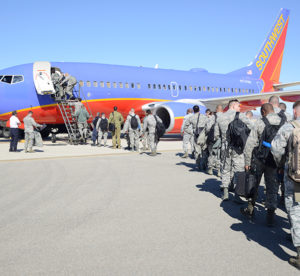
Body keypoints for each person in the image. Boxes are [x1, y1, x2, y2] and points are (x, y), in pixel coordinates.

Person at [241, 103, 283, 225]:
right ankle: (270, 215)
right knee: (272, 187)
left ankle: (250, 209)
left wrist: (247, 162)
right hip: (275, 161)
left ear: (263, 112)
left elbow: (250, 144)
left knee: (254, 183)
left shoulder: (260, 122)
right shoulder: (283, 122)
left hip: (260, 159)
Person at [271, 100, 300, 270]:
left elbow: (276, 149)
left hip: (295, 177)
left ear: (295, 112)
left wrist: (281, 165)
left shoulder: (289, 127)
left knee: (296, 210)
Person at [214, 99, 253, 201]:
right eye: (238, 106)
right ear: (233, 106)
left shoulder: (220, 117)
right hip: (238, 147)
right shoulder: (241, 116)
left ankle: (225, 192)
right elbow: (251, 127)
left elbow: (216, 135)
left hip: (225, 147)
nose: (240, 108)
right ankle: (237, 194)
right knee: (238, 169)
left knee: (225, 168)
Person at [184, 105, 212, 170]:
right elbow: (209, 125)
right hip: (203, 135)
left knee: (197, 151)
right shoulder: (204, 117)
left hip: (196, 135)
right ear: (199, 110)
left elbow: (185, 127)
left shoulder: (191, 118)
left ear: (193, 110)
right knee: (204, 150)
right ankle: (204, 164)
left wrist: (192, 132)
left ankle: (199, 165)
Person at [207, 105, 223, 176]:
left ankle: (210, 168)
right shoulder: (225, 117)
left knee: (212, 153)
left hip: (213, 138)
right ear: (221, 110)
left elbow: (208, 127)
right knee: (220, 155)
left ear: (216, 109)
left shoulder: (213, 117)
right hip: (222, 139)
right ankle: (219, 170)